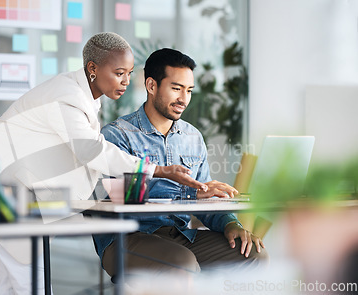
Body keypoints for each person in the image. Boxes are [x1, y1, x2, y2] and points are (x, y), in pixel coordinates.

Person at [0, 33, 208, 294]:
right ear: (93, 68)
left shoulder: (83, 97)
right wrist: (159, 170)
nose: (126, 81)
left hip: (10, 190)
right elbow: (91, 151)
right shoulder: (67, 95)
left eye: (129, 73)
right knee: (30, 280)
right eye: (119, 73)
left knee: (16, 280)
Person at [94, 48, 268, 280]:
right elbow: (125, 199)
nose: (183, 99)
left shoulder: (192, 137)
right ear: (151, 86)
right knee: (182, 264)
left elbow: (205, 199)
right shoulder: (118, 135)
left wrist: (230, 224)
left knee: (255, 255)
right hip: (127, 237)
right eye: (176, 88)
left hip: (181, 236)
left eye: (189, 91)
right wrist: (190, 194)